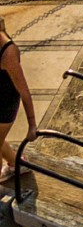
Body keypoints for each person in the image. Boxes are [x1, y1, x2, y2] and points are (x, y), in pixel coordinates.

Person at [0, 16, 37, 193]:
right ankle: (16, 164)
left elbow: (24, 92)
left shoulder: (8, 53)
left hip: (4, 106)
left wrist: (32, 125)